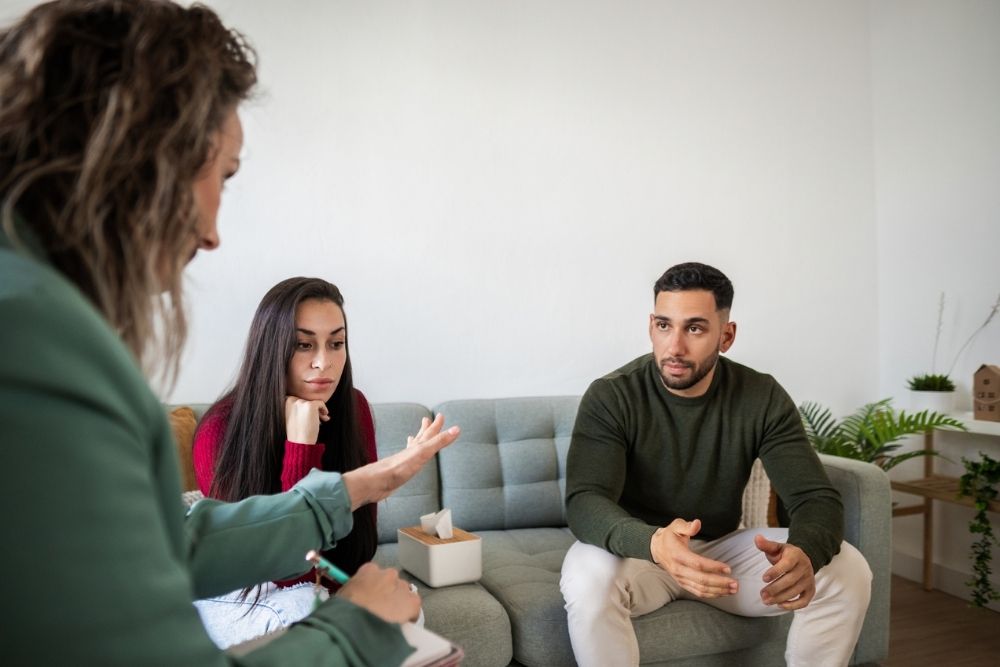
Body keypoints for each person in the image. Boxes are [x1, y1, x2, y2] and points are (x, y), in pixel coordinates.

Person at [0, 1, 459, 665]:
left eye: (336, 340)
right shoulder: (40, 349)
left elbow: (176, 540)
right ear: (147, 158)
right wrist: (357, 628)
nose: (213, 233)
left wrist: (370, 480)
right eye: (224, 174)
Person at [560, 262, 872, 667]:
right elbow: (585, 501)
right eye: (663, 325)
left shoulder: (761, 396)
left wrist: (806, 551)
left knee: (849, 569)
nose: (674, 347)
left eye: (694, 328)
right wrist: (653, 543)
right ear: (650, 326)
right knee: (588, 580)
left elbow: (814, 496)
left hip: (719, 553)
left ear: (726, 335)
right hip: (637, 553)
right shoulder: (612, 395)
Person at [192, 277, 385, 647]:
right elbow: (279, 569)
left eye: (336, 343)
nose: (323, 362)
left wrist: (346, 597)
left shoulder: (353, 410)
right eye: (303, 344)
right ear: (272, 348)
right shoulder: (219, 431)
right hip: (238, 592)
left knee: (402, 610)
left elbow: (359, 548)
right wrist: (300, 445)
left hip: (315, 588)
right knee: (305, 612)